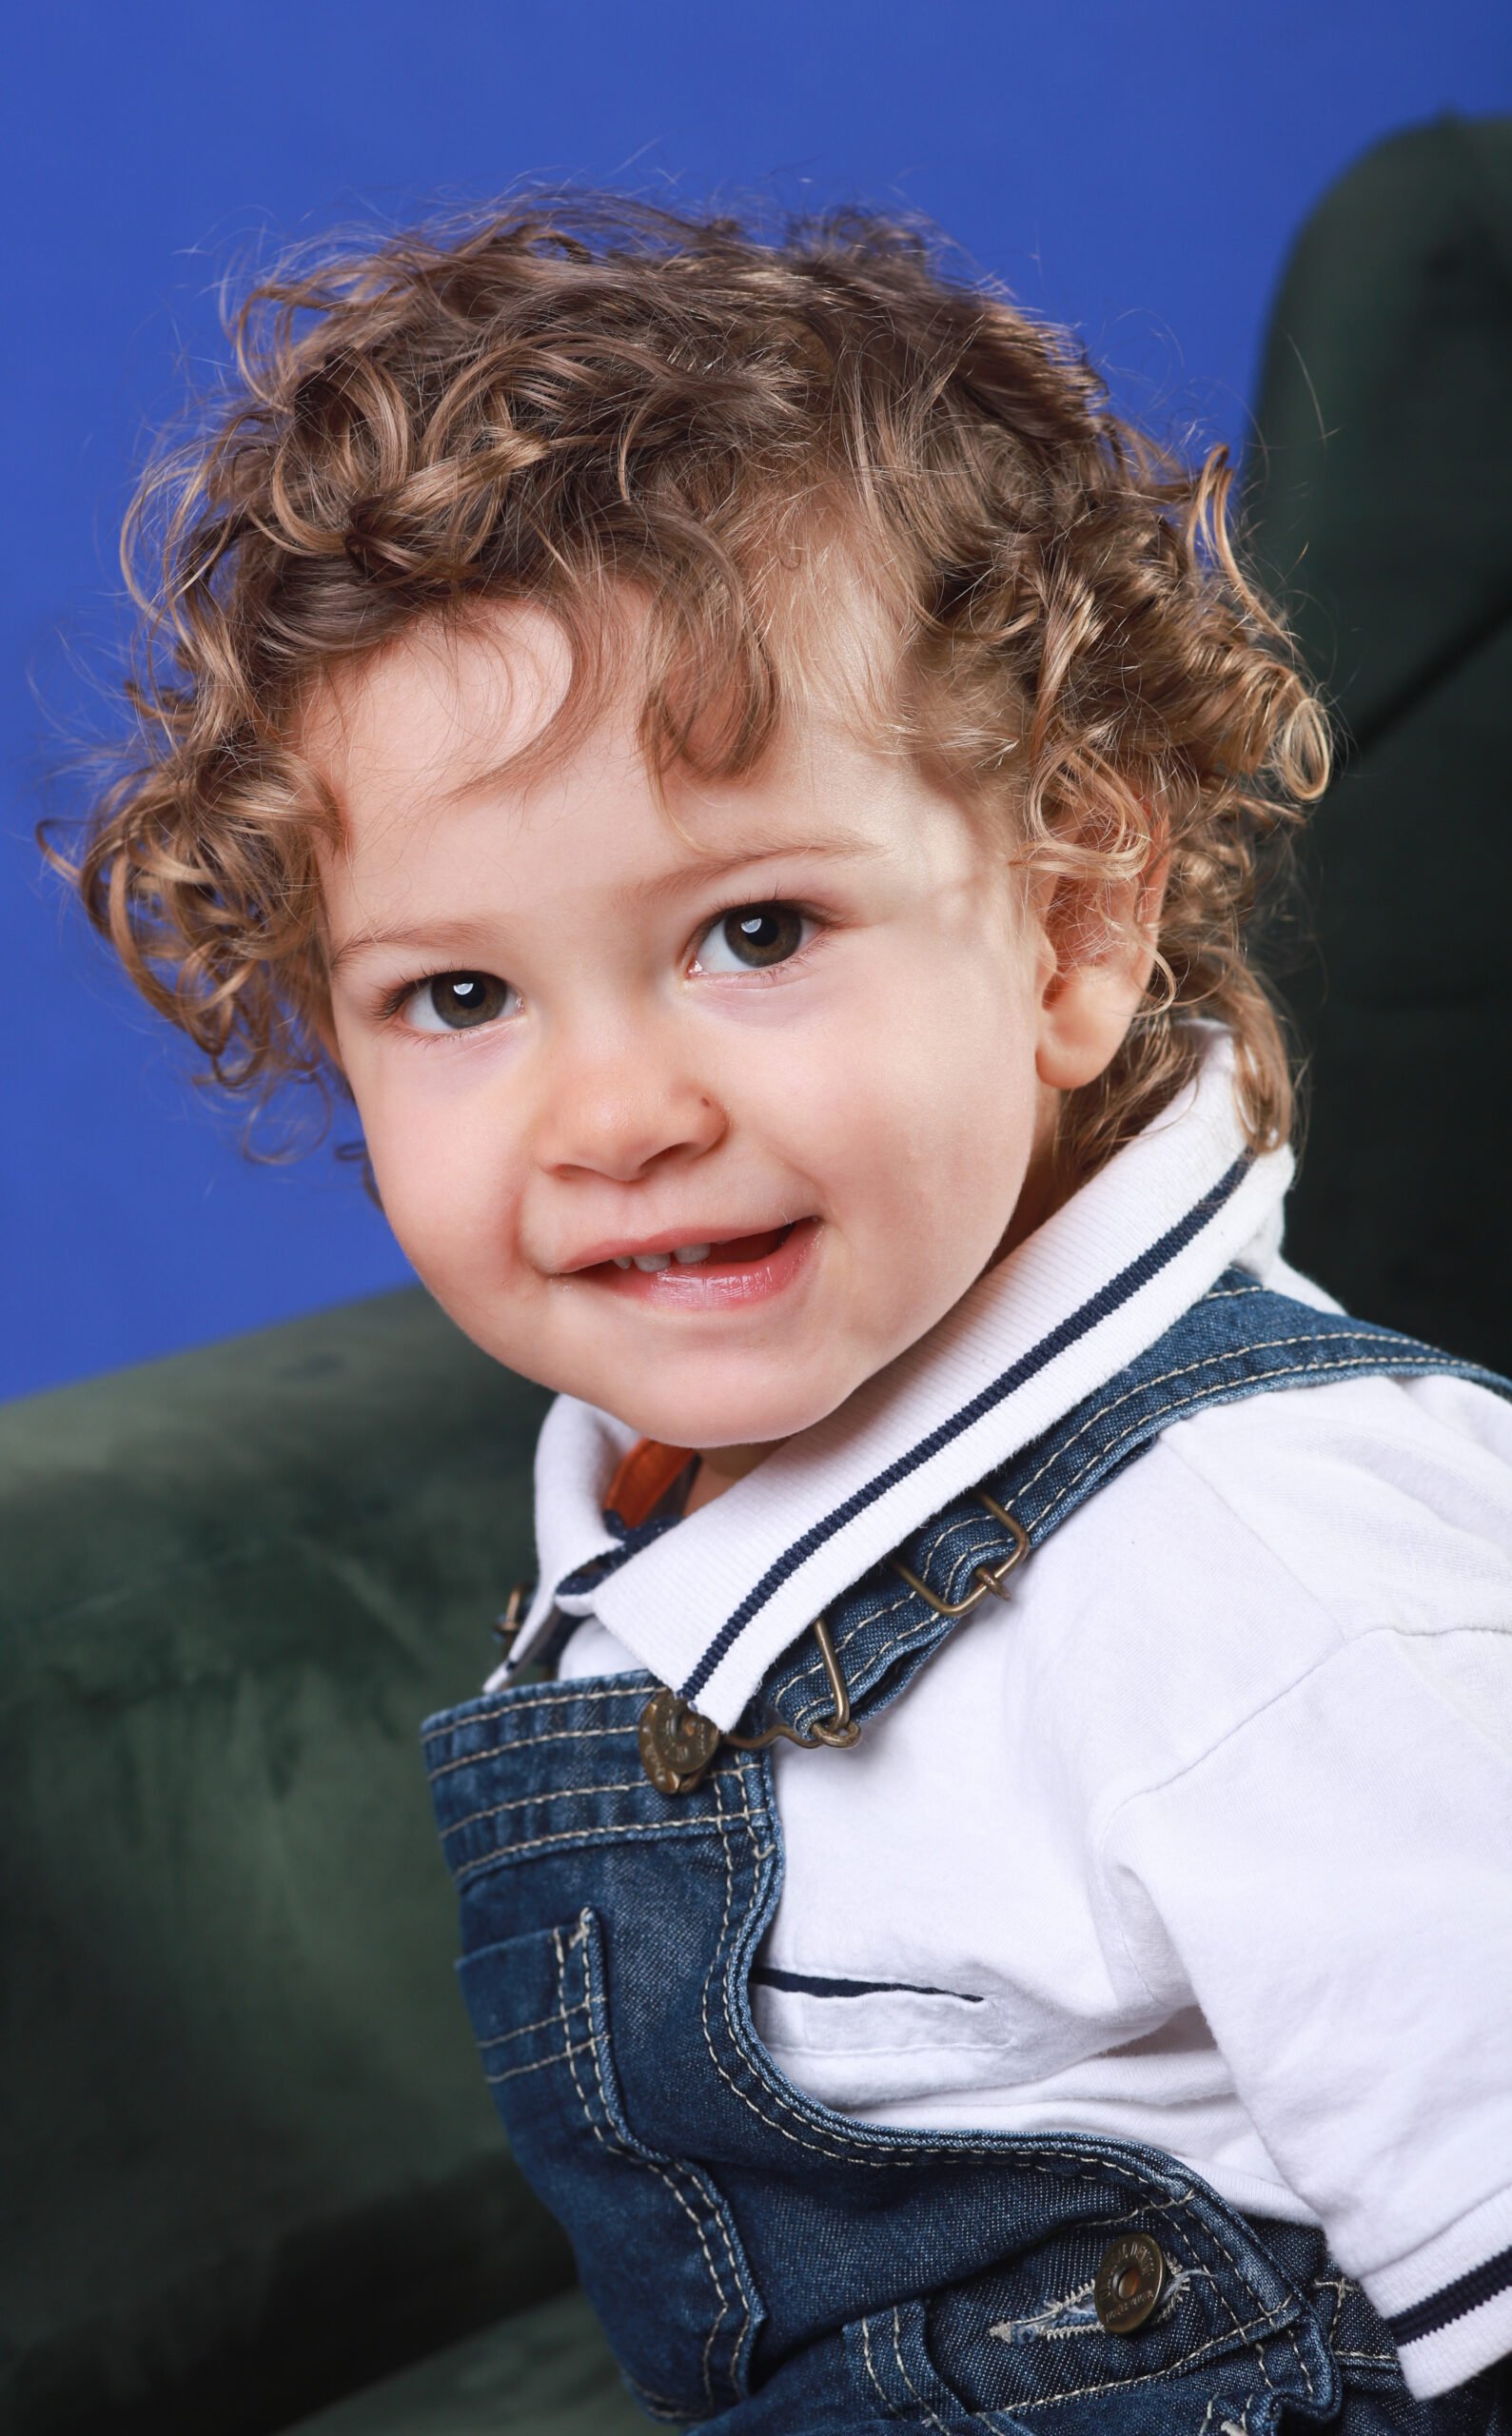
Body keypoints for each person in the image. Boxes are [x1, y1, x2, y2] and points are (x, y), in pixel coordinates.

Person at [65, 195, 1512, 2430]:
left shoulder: (1270, 1568)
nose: (616, 1114)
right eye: (459, 994)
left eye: (754, 932)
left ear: (1072, 916)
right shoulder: (666, 1501)